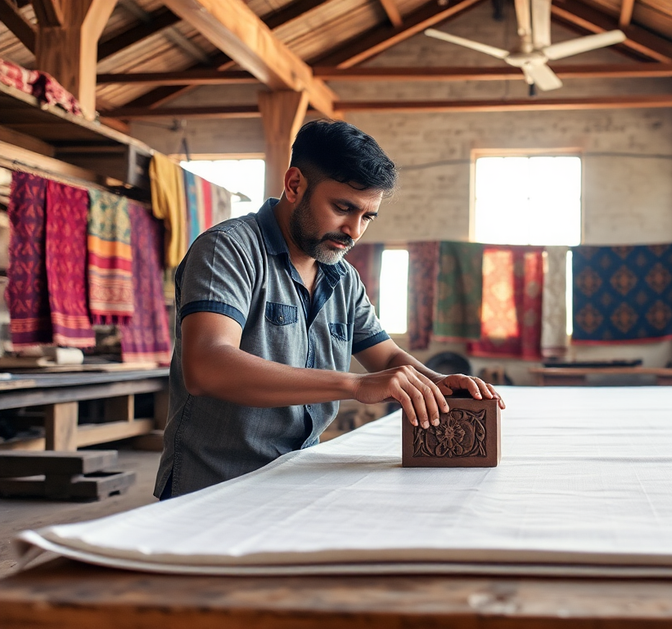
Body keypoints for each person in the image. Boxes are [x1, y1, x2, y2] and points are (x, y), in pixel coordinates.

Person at [154, 120, 504, 499]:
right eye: (342, 208)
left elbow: (386, 356)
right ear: (294, 185)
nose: (354, 230)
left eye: (367, 217)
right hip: (213, 486)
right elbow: (207, 367)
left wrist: (436, 382)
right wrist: (355, 385)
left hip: (298, 478)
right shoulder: (228, 250)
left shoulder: (343, 278)